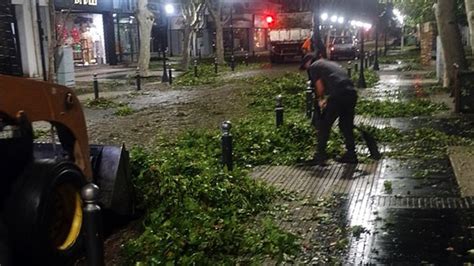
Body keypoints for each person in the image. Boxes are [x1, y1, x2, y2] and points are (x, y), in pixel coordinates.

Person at [299, 53, 358, 165]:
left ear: (308, 62)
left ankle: (320, 155)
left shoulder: (314, 66)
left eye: (305, 67)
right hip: (351, 93)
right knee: (346, 125)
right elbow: (333, 80)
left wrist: (320, 99)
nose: (306, 70)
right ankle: (351, 154)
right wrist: (328, 99)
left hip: (339, 95)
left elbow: (319, 86)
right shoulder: (328, 63)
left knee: (324, 125)